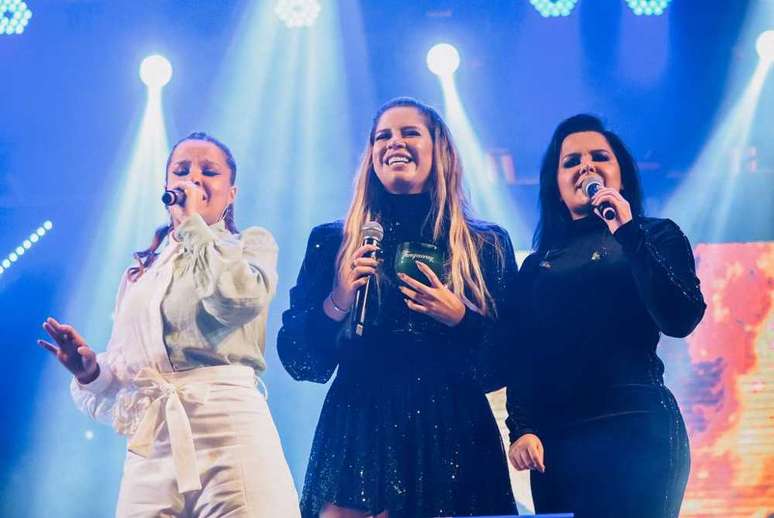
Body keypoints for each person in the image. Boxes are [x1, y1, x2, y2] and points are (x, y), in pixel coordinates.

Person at [277, 97, 518, 518]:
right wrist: (338, 300)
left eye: (409, 132)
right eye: (382, 136)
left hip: (453, 432)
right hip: (358, 431)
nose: (394, 143)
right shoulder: (334, 242)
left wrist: (461, 319)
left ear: (439, 148)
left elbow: (507, 362)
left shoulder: (485, 244)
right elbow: (300, 361)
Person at [38, 132, 300, 517]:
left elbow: (235, 301)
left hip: (230, 428)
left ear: (231, 194)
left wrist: (194, 226)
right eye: (181, 171)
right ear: (166, 187)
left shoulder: (249, 246)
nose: (193, 179)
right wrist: (91, 370)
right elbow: (132, 367)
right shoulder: (141, 271)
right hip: (155, 441)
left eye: (208, 172)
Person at [505, 114, 706, 517]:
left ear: (621, 175)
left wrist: (628, 232)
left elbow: (680, 317)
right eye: (571, 161)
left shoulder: (655, 235)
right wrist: (522, 427)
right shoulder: (538, 265)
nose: (585, 167)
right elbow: (524, 355)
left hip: (638, 427)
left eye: (599, 157)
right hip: (558, 441)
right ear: (556, 186)